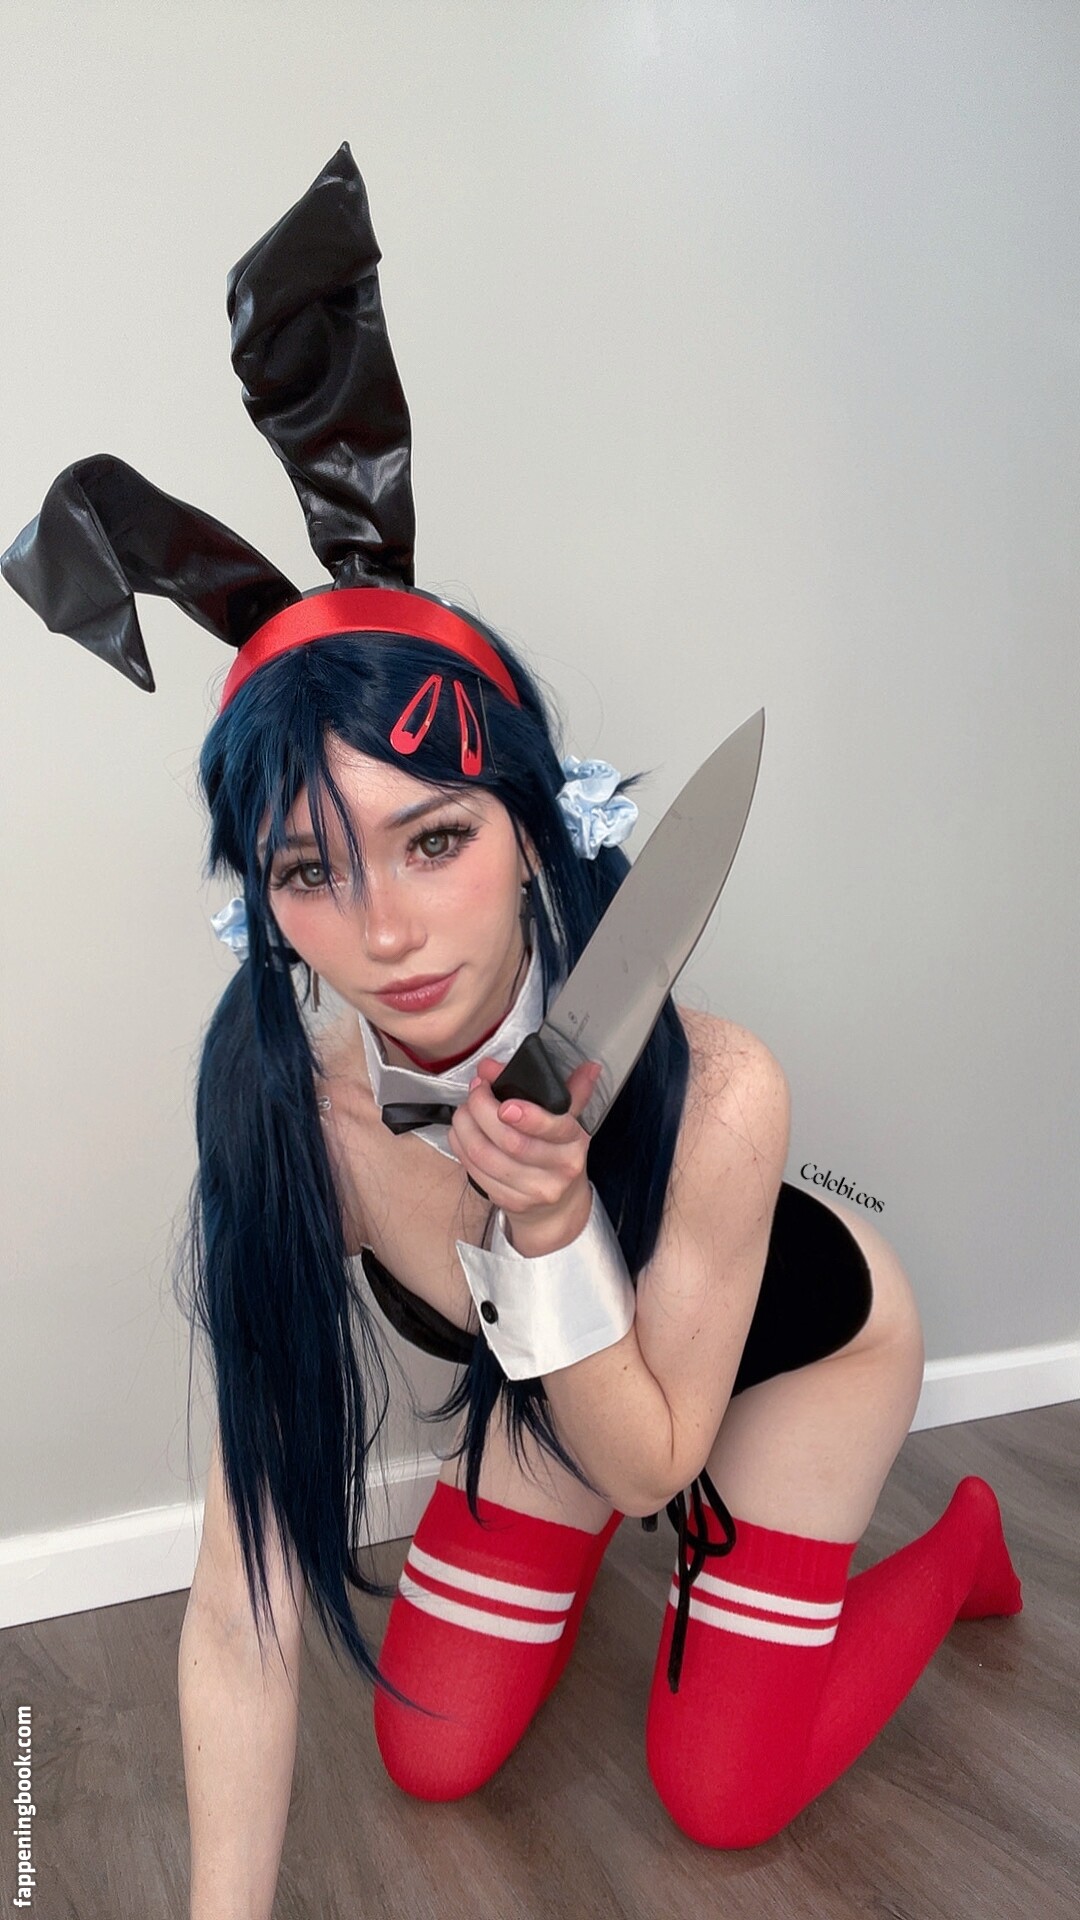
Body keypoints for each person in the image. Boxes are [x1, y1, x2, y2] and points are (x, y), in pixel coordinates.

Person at [2, 144, 1023, 1909]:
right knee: (429, 1749)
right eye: (314, 870)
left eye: (437, 840)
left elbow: (650, 1457)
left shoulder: (725, 1091)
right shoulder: (290, 1117)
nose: (388, 933)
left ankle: (961, 1550)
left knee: (722, 1798)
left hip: (774, 1367)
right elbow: (243, 1600)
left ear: (535, 829)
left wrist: (549, 1225)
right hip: (572, 1391)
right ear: (262, 901)